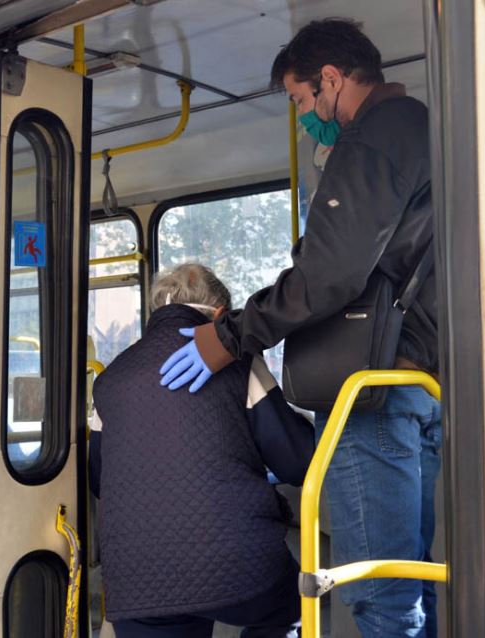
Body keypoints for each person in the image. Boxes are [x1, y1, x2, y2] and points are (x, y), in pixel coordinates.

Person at [158, 19, 440, 638]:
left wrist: (227, 337)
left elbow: (327, 276)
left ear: (332, 80)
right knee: (415, 578)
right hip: (416, 376)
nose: (303, 117)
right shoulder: (424, 130)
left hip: (371, 394)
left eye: (300, 100)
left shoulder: (370, 140)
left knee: (379, 593)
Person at [90, 264, 314, 638]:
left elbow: (99, 476)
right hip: (237, 566)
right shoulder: (237, 361)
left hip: (135, 578)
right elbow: (296, 461)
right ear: (222, 315)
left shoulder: (111, 378)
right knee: (293, 607)